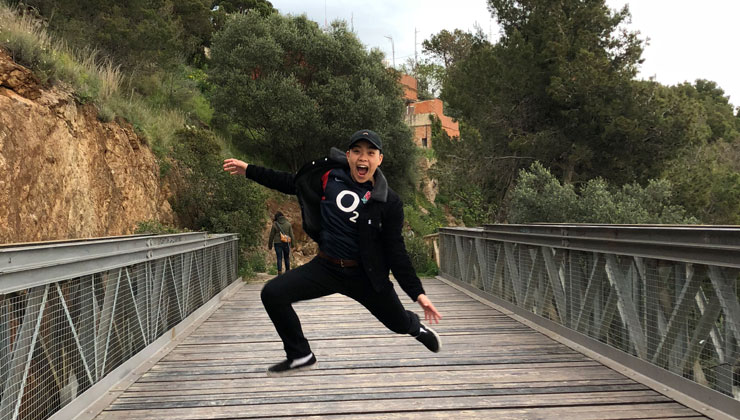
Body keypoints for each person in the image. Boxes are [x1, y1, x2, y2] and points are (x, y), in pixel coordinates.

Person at [223, 129, 442, 377]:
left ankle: (417, 330)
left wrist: (418, 294)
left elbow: (396, 251)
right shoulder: (329, 177)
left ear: (379, 159)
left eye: (370, 153)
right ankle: (300, 354)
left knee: (398, 323)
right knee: (272, 293)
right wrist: (249, 170)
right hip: (326, 267)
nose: (363, 158)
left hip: (365, 277)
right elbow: (291, 183)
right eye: (357, 151)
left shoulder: (388, 202)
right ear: (348, 155)